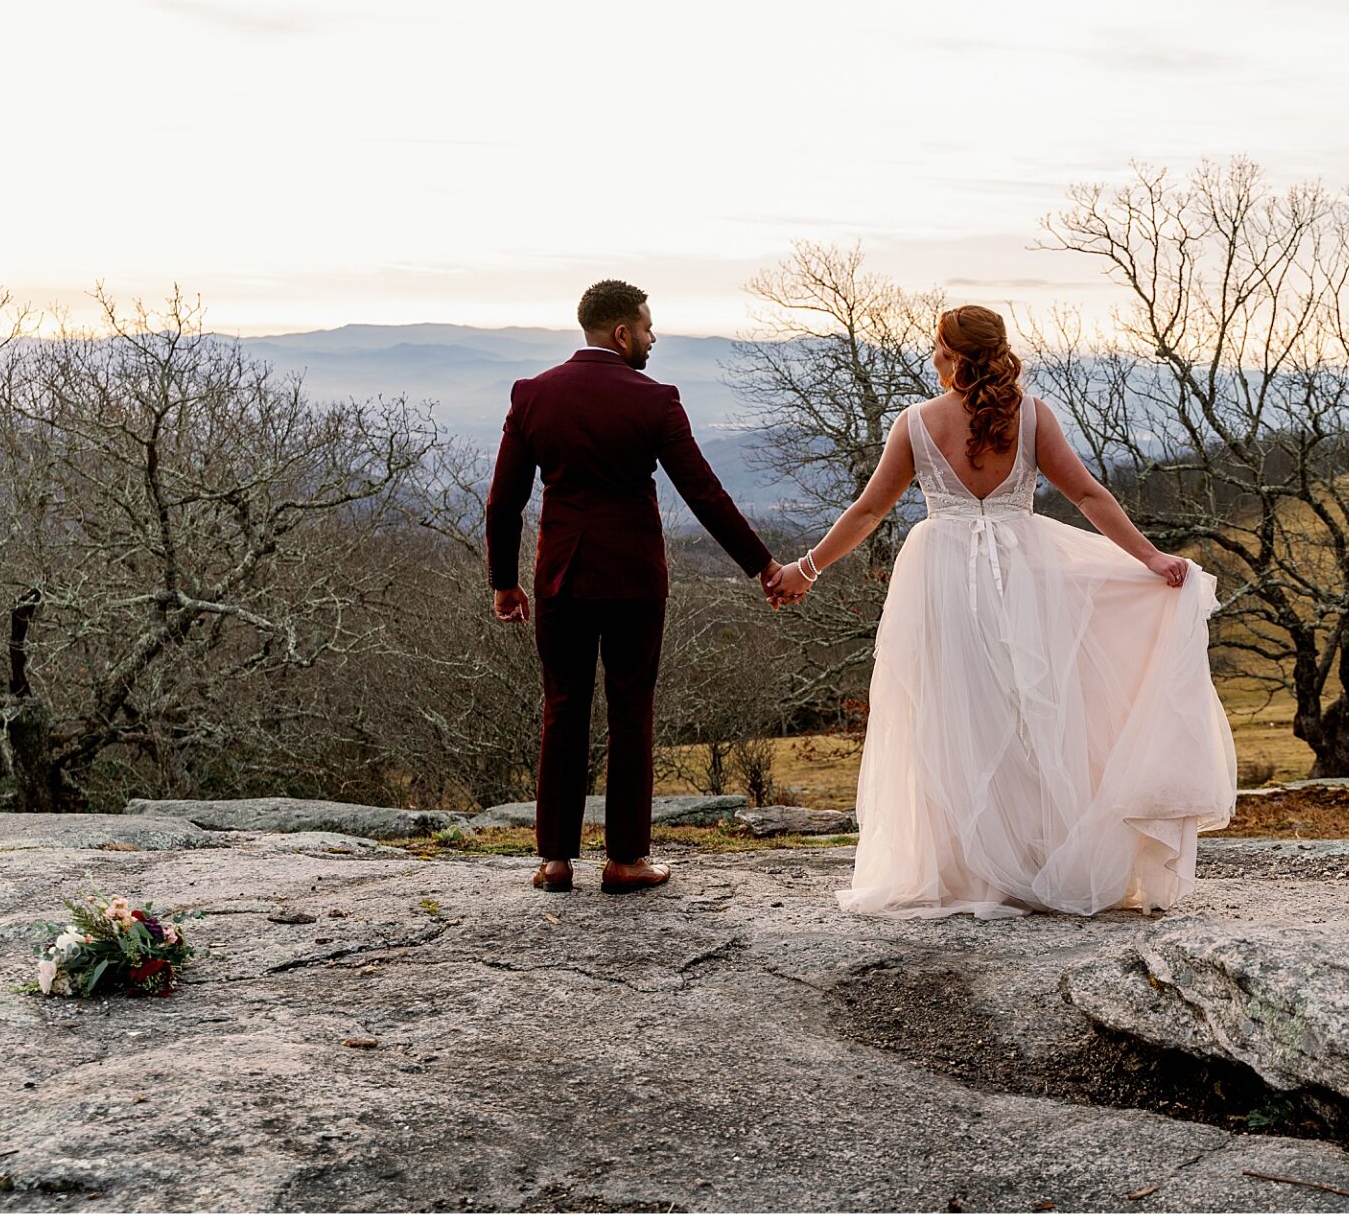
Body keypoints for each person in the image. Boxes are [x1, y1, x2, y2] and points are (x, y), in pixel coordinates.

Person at [771, 304, 1237, 917]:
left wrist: (802, 572)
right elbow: (1088, 494)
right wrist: (1148, 557)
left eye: (936, 345)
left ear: (951, 353)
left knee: (949, 714)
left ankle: (965, 865)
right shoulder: (1033, 416)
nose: (931, 355)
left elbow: (866, 512)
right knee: (1031, 711)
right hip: (1025, 572)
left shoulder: (916, 423)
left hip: (940, 577)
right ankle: (1033, 858)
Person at [484, 278, 793, 893]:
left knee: (562, 708)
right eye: (648, 329)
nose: (652, 339)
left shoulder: (532, 395)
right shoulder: (655, 400)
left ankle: (554, 861)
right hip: (633, 582)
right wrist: (764, 567)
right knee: (630, 710)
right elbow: (704, 493)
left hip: (561, 579)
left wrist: (504, 582)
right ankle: (626, 861)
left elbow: (503, 503)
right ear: (622, 333)